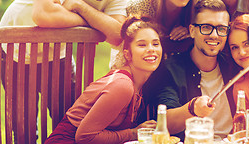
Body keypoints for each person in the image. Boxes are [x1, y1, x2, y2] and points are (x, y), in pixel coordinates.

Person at [0, 0, 142, 141]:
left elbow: (117, 35)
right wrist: (96, 22)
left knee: (69, 120)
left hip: (57, 54)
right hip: (15, 52)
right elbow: (43, 14)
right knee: (24, 128)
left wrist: (79, 6)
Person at [44, 16, 162, 144]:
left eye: (155, 44)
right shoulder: (122, 85)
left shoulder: (139, 85)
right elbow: (84, 137)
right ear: (127, 54)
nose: (151, 49)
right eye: (142, 44)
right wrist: (134, 133)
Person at [144, 0, 241, 140]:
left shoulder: (233, 65)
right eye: (206, 27)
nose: (214, 35)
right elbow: (165, 121)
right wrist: (192, 108)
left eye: (221, 29)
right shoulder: (170, 69)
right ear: (192, 31)